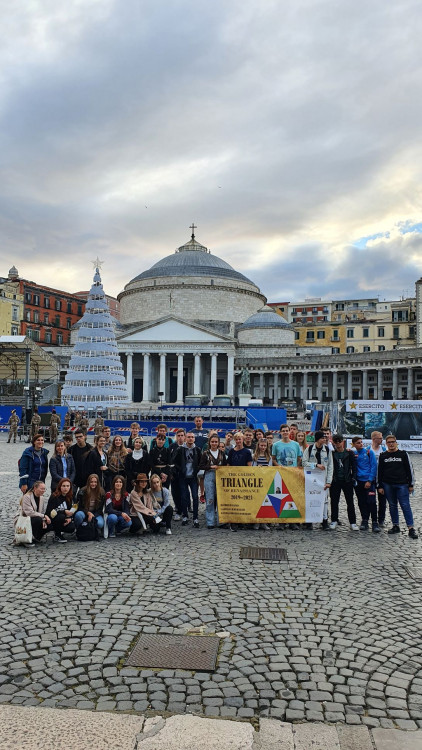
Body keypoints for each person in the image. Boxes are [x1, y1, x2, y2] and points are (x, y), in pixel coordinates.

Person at [378, 435, 418, 539]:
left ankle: (411, 528)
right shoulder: (383, 456)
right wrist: (380, 486)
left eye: (393, 442)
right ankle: (395, 525)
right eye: (389, 442)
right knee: (392, 505)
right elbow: (380, 472)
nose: (391, 444)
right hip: (387, 484)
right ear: (386, 444)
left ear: (396, 443)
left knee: (405, 505)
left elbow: (409, 469)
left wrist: (411, 484)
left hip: (402, 484)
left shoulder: (403, 454)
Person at [302, 430, 333, 530]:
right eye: (322, 438)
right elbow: (304, 463)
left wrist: (329, 481)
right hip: (311, 479)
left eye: (325, 438)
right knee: (310, 499)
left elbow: (330, 466)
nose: (325, 439)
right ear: (318, 439)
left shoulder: (327, 450)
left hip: (323, 479)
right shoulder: (310, 449)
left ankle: (324, 521)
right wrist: (315, 465)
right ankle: (309, 521)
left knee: (324, 501)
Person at [330, 434, 359, 531]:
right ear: (333, 443)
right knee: (334, 501)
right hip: (335, 480)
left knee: (350, 502)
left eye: (339, 441)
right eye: (336, 442)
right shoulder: (332, 454)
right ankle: (334, 520)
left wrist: (353, 478)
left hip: (347, 480)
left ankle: (353, 522)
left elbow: (354, 466)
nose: (338, 444)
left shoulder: (349, 453)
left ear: (343, 442)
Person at [198, 432, 227, 529]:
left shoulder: (222, 453)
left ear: (219, 443)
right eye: (212, 442)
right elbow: (200, 466)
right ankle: (210, 521)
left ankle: (221, 520)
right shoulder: (205, 453)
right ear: (209, 442)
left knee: (220, 499)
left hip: (220, 476)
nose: (214, 443)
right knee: (210, 499)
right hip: (209, 475)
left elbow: (226, 465)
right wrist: (210, 466)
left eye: (216, 442)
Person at [351, 436, 379, 532]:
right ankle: (364, 520)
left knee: (371, 502)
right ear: (354, 444)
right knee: (361, 502)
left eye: (361, 442)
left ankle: (375, 522)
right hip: (358, 482)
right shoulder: (353, 453)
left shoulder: (369, 452)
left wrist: (370, 480)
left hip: (368, 481)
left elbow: (374, 467)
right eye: (358, 443)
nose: (360, 444)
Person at [174, 431, 202, 527]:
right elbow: (175, 461)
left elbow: (200, 462)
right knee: (184, 497)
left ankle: (195, 517)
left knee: (195, 497)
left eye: (192, 437)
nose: (190, 438)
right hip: (183, 477)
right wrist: (180, 470)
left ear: (194, 439)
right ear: (186, 438)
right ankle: (185, 516)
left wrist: (196, 470)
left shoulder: (197, 450)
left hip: (193, 477)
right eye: (189, 437)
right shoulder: (180, 449)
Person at [226, 432, 253, 531]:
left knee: (243, 500)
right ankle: (233, 522)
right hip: (233, 479)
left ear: (243, 440)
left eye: (239, 439)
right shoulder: (231, 452)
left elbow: (249, 466)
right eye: (236, 439)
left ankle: (242, 520)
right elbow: (228, 465)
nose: (238, 441)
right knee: (234, 501)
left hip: (243, 479)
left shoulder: (247, 452)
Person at [46, 478, 76, 543]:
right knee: (61, 517)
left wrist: (70, 518)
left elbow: (72, 510)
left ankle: (61, 531)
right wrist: (64, 511)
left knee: (71, 528)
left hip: (65, 519)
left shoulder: (70, 496)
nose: (66, 488)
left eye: (68, 486)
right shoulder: (54, 496)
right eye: (64, 486)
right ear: (60, 486)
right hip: (54, 519)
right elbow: (49, 512)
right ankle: (57, 535)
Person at [169, 428, 186, 520]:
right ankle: (178, 510)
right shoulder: (172, 446)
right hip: (174, 474)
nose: (180, 438)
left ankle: (184, 511)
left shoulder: (187, 447)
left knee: (183, 493)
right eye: (178, 436)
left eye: (182, 436)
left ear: (185, 437)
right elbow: (169, 460)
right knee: (175, 493)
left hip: (184, 474)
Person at [371, 430, 387, 526]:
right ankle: (371, 519)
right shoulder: (369, 450)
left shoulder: (384, 450)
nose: (382, 440)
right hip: (372, 479)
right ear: (373, 439)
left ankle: (381, 519)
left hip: (382, 479)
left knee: (382, 501)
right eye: (380, 438)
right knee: (371, 500)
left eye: (382, 438)